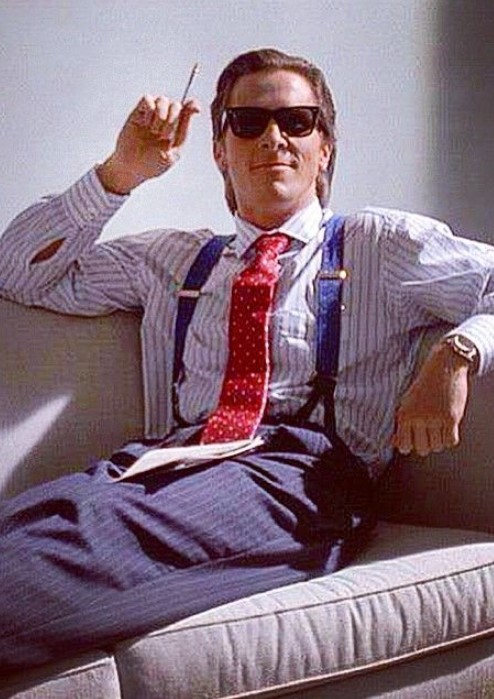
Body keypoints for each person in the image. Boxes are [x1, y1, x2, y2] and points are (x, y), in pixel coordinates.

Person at [0, 47, 493, 674]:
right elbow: (18, 273)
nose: (274, 138)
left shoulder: (377, 245)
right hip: (161, 464)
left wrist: (456, 353)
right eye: (249, 122)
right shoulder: (174, 260)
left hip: (295, 478)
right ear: (220, 151)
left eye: (297, 121)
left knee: (62, 557)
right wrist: (119, 172)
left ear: (325, 148)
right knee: (43, 520)